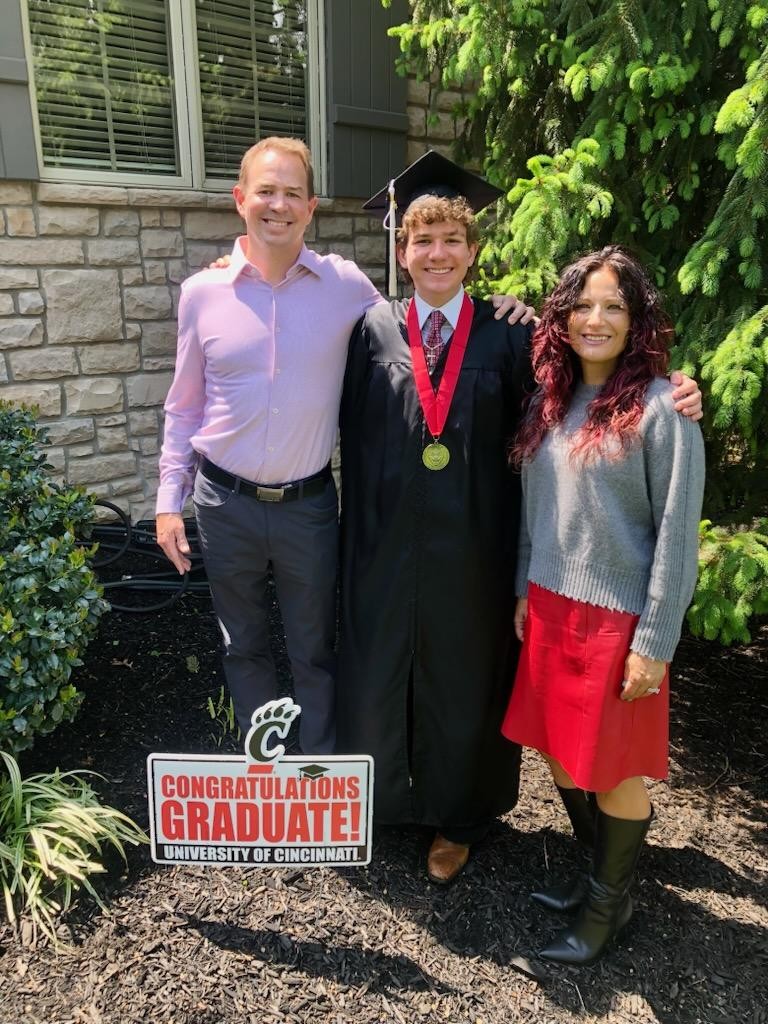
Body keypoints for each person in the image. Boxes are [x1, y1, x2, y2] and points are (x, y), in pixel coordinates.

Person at [335, 158, 703, 885]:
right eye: (422, 241)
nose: (437, 254)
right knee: (382, 666)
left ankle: (461, 819)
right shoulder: (373, 329)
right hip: (387, 542)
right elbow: (351, 430)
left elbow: (578, 398)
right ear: (403, 252)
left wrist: (675, 388)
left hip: (478, 544)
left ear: (473, 251)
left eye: (452, 240)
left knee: (467, 677)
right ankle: (389, 802)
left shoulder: (508, 333)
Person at [155, 139, 531, 753]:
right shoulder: (203, 292)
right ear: (240, 199)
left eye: (292, 194)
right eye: (265, 192)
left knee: (315, 648)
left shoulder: (346, 285)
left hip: (306, 506)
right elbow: (183, 404)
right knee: (242, 644)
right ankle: (265, 766)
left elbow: (422, 326)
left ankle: (320, 776)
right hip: (224, 502)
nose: (278, 205)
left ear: (312, 207)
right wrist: (169, 500)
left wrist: (505, 310)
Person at [501, 246, 705, 964]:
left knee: (613, 773)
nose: (596, 319)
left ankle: (606, 910)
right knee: (560, 756)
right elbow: (535, 508)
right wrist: (524, 586)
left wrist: (656, 640)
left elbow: (677, 533)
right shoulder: (548, 401)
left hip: (618, 621)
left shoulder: (664, 409)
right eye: (583, 305)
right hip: (550, 607)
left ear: (636, 319)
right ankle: (600, 880)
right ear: (562, 317)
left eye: (614, 306)